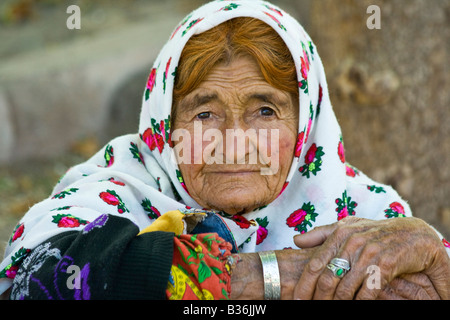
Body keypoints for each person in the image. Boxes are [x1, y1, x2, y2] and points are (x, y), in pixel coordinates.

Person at [1, 0, 449, 300]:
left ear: (307, 127)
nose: (235, 142)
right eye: (203, 114)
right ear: (164, 128)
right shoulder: (117, 192)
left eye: (265, 112)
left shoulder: (367, 215)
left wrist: (434, 256)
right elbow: (32, 281)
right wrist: (273, 277)